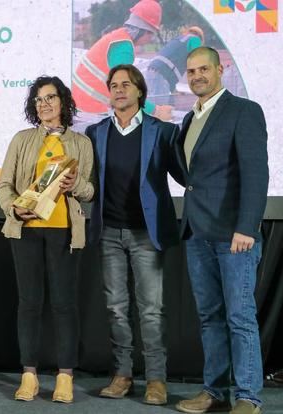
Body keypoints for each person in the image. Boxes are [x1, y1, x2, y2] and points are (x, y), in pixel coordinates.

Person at [175, 47, 268, 414]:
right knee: (210, 317)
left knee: (240, 317)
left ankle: (248, 397)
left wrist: (247, 226)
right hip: (197, 233)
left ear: (220, 69)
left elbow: (256, 173)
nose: (196, 75)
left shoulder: (244, 111)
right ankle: (214, 393)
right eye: (191, 70)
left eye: (203, 69)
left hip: (234, 236)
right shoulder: (189, 118)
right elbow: (192, 178)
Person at [85, 64, 184, 406]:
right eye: (113, 85)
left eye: (126, 84)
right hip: (109, 232)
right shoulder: (96, 133)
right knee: (115, 308)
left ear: (140, 91)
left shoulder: (163, 131)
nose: (119, 90)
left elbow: (186, 176)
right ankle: (122, 374)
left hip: (147, 234)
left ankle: (156, 379)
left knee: (151, 310)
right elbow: (89, 183)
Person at [0, 76, 94, 403]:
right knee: (29, 304)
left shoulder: (81, 143)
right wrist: (13, 209)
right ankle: (29, 375)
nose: (44, 104)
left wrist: (73, 185)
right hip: (25, 231)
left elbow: (90, 191)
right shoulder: (22, 139)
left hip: (64, 231)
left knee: (65, 305)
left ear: (64, 102)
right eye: (38, 100)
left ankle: (65, 377)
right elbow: (4, 185)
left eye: (50, 97)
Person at [72, 0, 171, 120]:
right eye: (151, 34)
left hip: (80, 103)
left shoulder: (118, 37)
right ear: (142, 30)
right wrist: (156, 111)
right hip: (90, 109)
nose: (150, 39)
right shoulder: (124, 48)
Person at [145, 26, 204, 96]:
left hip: (151, 71)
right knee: (161, 105)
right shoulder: (195, 39)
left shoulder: (179, 40)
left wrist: (175, 91)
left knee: (164, 103)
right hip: (162, 74)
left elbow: (172, 63)